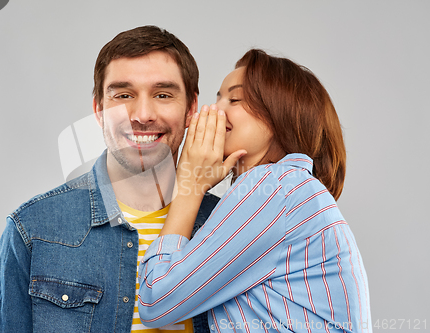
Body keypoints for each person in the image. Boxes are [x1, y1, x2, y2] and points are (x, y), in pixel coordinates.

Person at [0, 25, 218, 333]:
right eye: (124, 95)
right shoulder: (32, 230)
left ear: (191, 108)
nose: (143, 114)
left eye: (163, 94)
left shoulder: (232, 224)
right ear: (98, 109)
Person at [138, 49, 372, 332]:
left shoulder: (274, 186)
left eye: (235, 99)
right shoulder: (292, 189)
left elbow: (157, 301)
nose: (212, 111)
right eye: (217, 98)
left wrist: (189, 185)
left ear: (278, 115)